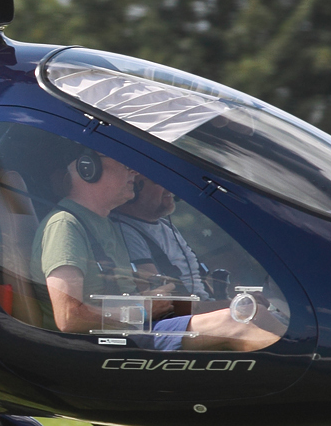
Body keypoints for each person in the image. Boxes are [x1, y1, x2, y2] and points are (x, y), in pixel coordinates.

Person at [31, 149, 281, 352]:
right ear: (89, 168)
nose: (135, 172)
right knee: (236, 323)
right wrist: (141, 310)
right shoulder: (66, 225)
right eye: (125, 163)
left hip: (136, 329)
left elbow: (152, 307)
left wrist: (226, 303)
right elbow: (68, 317)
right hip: (103, 345)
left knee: (248, 311)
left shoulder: (105, 223)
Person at [112, 176, 210, 296]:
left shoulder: (167, 226)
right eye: (159, 181)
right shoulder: (124, 231)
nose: (170, 188)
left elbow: (198, 279)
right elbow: (160, 296)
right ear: (134, 188)